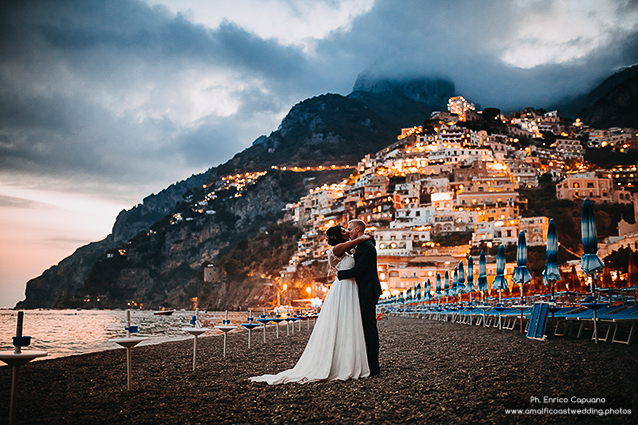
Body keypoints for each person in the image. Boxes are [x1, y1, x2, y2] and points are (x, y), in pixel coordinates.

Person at [249, 225, 372, 385]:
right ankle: (341, 363)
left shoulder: (345, 250)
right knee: (343, 321)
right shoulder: (337, 249)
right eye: (343, 231)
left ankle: (348, 360)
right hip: (343, 288)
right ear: (336, 237)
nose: (346, 232)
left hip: (349, 287)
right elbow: (360, 239)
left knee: (348, 323)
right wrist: (363, 236)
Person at [337, 219, 382, 376]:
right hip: (367, 290)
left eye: (350, 229)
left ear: (358, 230)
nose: (348, 232)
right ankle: (368, 364)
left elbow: (360, 269)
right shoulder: (363, 244)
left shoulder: (366, 246)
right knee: (365, 327)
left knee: (369, 328)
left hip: (368, 291)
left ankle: (374, 368)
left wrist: (340, 275)